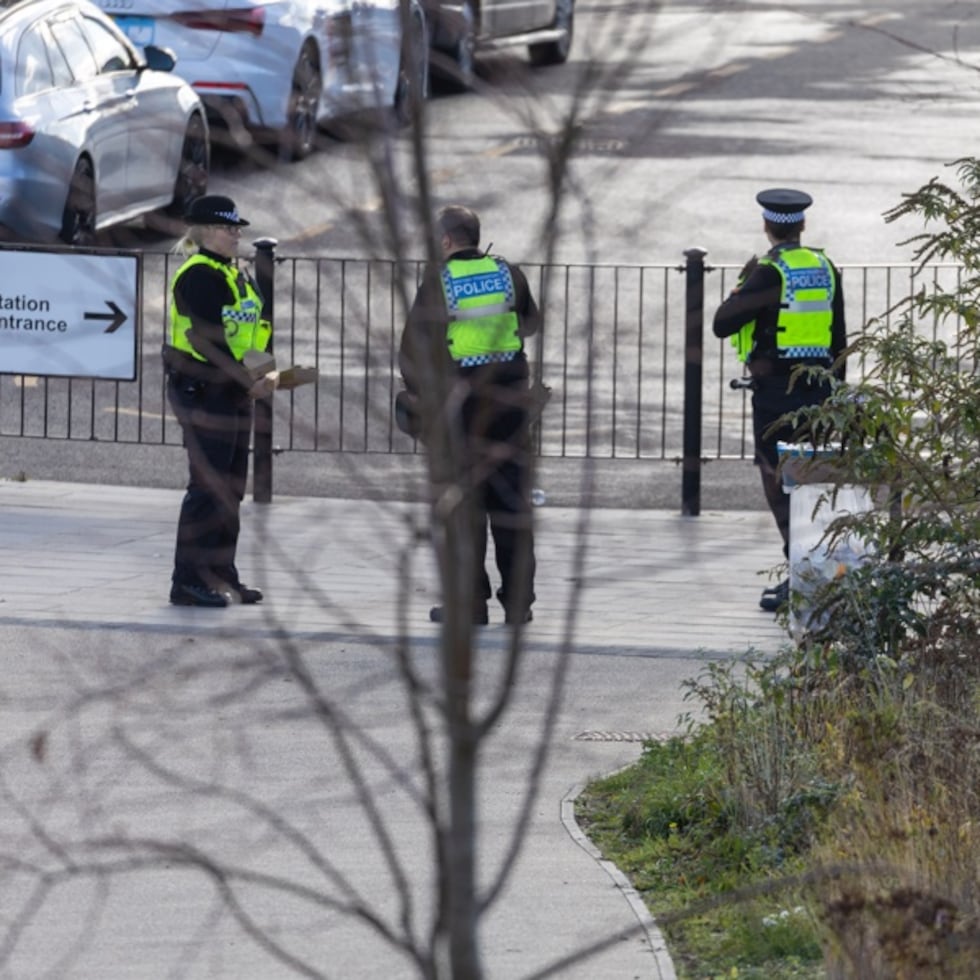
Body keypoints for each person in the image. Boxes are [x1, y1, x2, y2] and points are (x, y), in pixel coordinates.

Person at [398, 204, 542, 625]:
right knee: (512, 506)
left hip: (461, 412)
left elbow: (413, 351)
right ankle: (518, 604)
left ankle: (469, 604)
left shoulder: (439, 282)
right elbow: (530, 325)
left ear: (445, 241)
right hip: (512, 409)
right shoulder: (507, 274)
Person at [713, 188, 847, 612]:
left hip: (777, 394)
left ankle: (802, 577)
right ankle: (816, 575)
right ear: (802, 225)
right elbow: (839, 338)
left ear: (766, 225)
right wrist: (835, 392)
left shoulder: (769, 272)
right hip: (821, 390)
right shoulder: (825, 266)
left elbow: (722, 323)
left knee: (779, 482)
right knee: (813, 481)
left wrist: (740, 285)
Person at [163, 194, 277, 607]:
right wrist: (250, 380)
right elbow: (205, 340)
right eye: (230, 229)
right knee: (207, 487)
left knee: (230, 489)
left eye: (238, 229)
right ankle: (188, 580)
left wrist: (262, 373)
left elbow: (252, 333)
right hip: (203, 390)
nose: (237, 235)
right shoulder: (198, 276)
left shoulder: (235, 273)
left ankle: (222, 575)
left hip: (233, 391)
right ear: (208, 231)